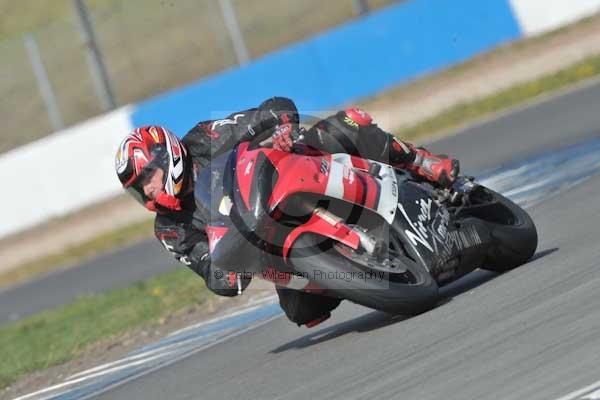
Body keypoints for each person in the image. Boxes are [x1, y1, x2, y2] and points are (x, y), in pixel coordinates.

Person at [115, 97, 459, 327]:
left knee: (343, 128)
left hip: (291, 182)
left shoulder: (206, 137)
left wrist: (280, 126)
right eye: (138, 187)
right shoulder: (169, 229)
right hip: (269, 248)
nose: (147, 190)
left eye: (148, 177)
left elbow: (272, 109)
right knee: (301, 311)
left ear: (167, 155)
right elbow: (211, 273)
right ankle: (362, 273)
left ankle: (420, 162)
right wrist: (226, 271)